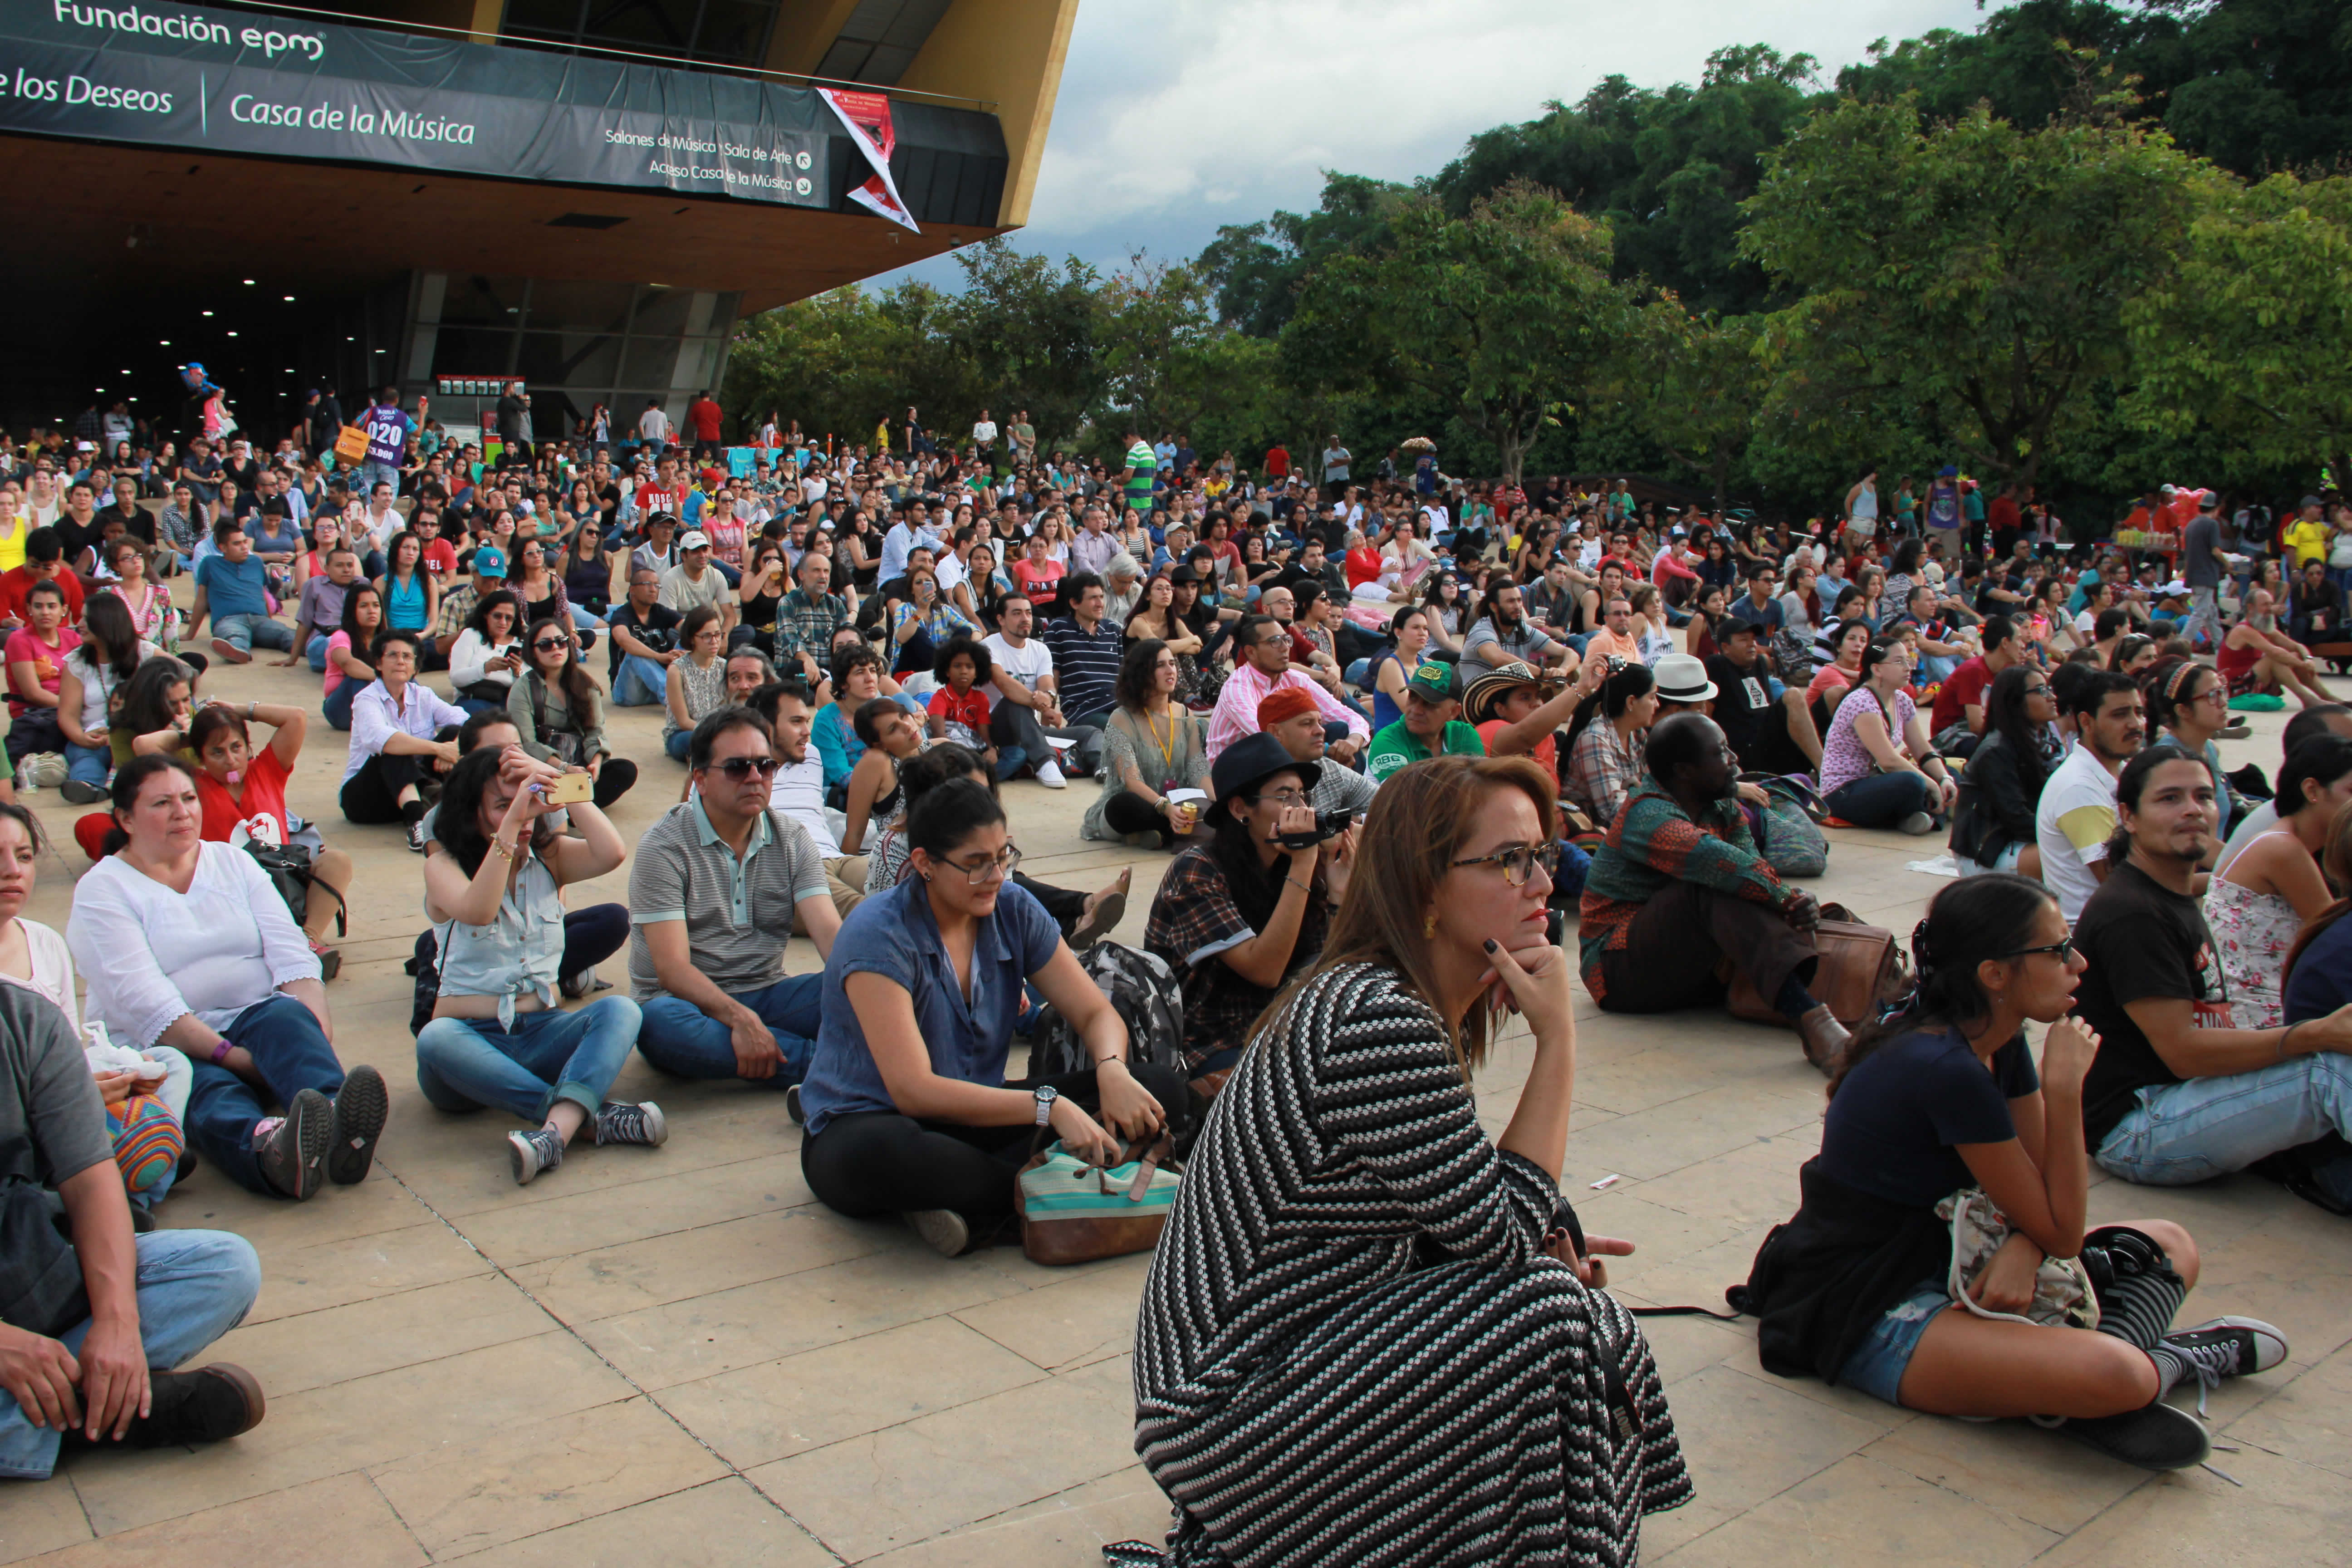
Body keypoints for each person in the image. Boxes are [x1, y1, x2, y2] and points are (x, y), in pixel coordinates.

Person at [1120, 755, 1688, 1565]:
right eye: (1508, 860)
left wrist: (1539, 1236)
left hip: (1280, 1360)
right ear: (1423, 884)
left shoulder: (1392, 1000)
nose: (1542, 884)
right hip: (1223, 1408)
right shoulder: (1374, 1017)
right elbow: (1496, 1240)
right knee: (1547, 1317)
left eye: (1541, 854)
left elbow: (1449, 1214)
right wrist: (1557, 1041)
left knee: (1567, 1310)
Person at [1738, 873, 2272, 1471]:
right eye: (2058, 950)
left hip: (1960, 1260)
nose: (2080, 963)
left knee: (2173, 1244)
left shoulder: (1997, 1037)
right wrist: (2067, 1093)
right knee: (2117, 1373)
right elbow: (2065, 1231)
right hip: (1867, 1306)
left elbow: (2046, 1201)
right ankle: (2150, 1369)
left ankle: (2063, 1395)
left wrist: (2025, 1245)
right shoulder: (1944, 1066)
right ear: (1995, 974)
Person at [796, 777, 1186, 1256]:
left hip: (974, 1113)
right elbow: (913, 1090)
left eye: (1004, 856)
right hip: (871, 1123)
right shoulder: (879, 932)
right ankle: (1060, 1190)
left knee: (1159, 1089)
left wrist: (1112, 1070)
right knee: (899, 1156)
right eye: (976, 865)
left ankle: (995, 1201)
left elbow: (1093, 1011)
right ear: (925, 865)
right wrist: (1050, 1108)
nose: (998, 876)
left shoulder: (1013, 908)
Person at [67, 755, 386, 1201]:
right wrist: (231, 1057)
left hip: (253, 1017)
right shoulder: (103, 891)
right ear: (125, 819)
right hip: (168, 1041)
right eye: (162, 803)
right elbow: (147, 1001)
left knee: (288, 1021)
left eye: (189, 798)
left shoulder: (232, 861)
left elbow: (291, 954)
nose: (183, 812)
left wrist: (317, 1026)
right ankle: (271, 1154)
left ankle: (338, 1124)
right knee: (209, 1089)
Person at [0, 973, 267, 1478]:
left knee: (226, 1267)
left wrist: (117, 1323)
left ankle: (68, 1400)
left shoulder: (25, 1019)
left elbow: (91, 1180)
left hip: (30, 1263)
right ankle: (90, 1415)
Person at [2076, 745, 2352, 1193]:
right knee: (2332, 1072)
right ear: (2128, 816)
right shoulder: (2133, 913)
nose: (2192, 811)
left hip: (2185, 1097)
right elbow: (2183, 1053)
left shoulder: (2169, 894)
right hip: (2138, 1127)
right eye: (2170, 799)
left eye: (2203, 797)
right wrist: (2313, 1035)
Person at [416, 746, 663, 1185]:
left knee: (622, 1010)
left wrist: (557, 782)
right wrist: (510, 824)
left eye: (531, 803)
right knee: (434, 1038)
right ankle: (583, 1115)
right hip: (468, 1048)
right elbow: (478, 909)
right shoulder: (444, 865)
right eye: (502, 804)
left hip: (541, 1032)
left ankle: (554, 1133)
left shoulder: (548, 858)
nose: (527, 816)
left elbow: (611, 853)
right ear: (470, 812)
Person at [1580, 713, 1848, 1070]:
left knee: (1808, 908)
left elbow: (1753, 869)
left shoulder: (1722, 806)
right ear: (1685, 771)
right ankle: (1811, 1020)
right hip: (1618, 969)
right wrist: (1785, 897)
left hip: (1689, 965)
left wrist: (1796, 901)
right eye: (1720, 753)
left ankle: (1884, 995)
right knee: (1712, 884)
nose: (1734, 759)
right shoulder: (1646, 816)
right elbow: (1722, 864)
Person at [628, 708, 841, 1090]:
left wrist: (870, 988)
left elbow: (831, 935)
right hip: (687, 1005)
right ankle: (834, 1070)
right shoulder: (663, 847)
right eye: (738, 768)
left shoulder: (792, 838)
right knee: (659, 1025)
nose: (756, 778)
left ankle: (814, 1065)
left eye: (765, 766)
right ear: (700, 780)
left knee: (861, 984)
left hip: (769, 992)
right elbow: (672, 971)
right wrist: (740, 1020)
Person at [1143, 732, 1355, 1096]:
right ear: (1241, 810)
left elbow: (1325, 972)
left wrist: (1336, 897)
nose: (1300, 808)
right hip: (1207, 1042)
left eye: (1302, 795)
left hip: (1278, 1028)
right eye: (1285, 796)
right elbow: (1265, 970)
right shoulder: (1197, 870)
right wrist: (1305, 862)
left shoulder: (1287, 865)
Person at [2204, 737, 2352, 1029]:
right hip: (2257, 1019)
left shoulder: (2289, 842)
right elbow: (2341, 936)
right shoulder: (2284, 850)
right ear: (2312, 790)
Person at [342, 630, 469, 850]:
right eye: (393, 655)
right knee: (392, 748)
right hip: (366, 798)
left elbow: (464, 720)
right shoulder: (367, 699)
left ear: (416, 668)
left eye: (407, 657)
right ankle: (417, 822)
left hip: (409, 789)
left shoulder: (423, 695)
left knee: (455, 732)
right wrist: (438, 749)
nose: (400, 661)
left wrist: (454, 747)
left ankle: (454, 809)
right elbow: (381, 739)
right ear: (379, 664)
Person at [2036, 671, 2144, 925]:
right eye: (2120, 715)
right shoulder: (2078, 788)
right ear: (2086, 722)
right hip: (2096, 934)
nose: (2135, 724)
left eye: (2139, 712)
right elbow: (2118, 879)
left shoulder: (2122, 770)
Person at [1083, 638, 1212, 847]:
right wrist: (1167, 808)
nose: (1171, 670)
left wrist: (1219, 803)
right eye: (1160, 666)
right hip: (1141, 806)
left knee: (1212, 806)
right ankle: (1176, 832)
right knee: (1122, 805)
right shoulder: (1123, 718)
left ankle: (1156, 836)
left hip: (1178, 805)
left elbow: (1197, 768)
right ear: (1142, 673)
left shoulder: (1185, 714)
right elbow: (1131, 781)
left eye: (1172, 663)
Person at [1817, 639, 1954, 833]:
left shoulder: (1903, 700)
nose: (1908, 668)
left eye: (1909, 661)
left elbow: (1922, 750)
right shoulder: (1861, 702)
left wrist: (1944, 778)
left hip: (1878, 782)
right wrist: (1931, 785)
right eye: (1899, 662)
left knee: (1948, 773)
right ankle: (1921, 815)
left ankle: (1918, 818)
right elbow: (1888, 760)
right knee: (1913, 783)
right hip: (1843, 792)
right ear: (1877, 669)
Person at [1205, 612, 1368, 764]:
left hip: (1281, 754)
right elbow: (1266, 736)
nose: (1285, 648)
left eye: (1286, 640)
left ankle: (1363, 793)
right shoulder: (1237, 688)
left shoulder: (1295, 678)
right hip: (1239, 766)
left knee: (1342, 731)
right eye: (1275, 642)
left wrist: (1352, 743)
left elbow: (1351, 717)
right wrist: (1327, 749)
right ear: (1251, 652)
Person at [508, 615, 636, 808]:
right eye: (546, 645)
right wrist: (564, 768)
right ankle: (575, 807)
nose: (556, 649)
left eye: (561, 642)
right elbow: (528, 743)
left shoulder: (585, 684)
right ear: (533, 652)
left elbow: (596, 732)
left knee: (625, 770)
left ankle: (571, 808)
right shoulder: (523, 689)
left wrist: (596, 763)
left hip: (580, 766)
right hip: (542, 768)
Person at [1948, 665, 2057, 878]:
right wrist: (2062, 835)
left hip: (2015, 842)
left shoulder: (2037, 740)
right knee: (2070, 856)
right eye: (2042, 690)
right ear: (2015, 701)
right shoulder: (1996, 751)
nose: (2052, 697)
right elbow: (2016, 817)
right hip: (1987, 854)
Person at [984, 593, 1099, 785]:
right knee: (1015, 703)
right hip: (996, 729)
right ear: (1001, 619)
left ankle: (1100, 767)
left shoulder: (1040, 649)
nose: (1025, 619)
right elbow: (1004, 684)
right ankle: (1046, 762)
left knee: (1090, 732)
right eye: (1017, 614)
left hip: (1031, 727)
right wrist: (1040, 702)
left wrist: (1047, 700)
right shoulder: (987, 647)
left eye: (1029, 613)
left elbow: (1048, 687)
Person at [1705, 616, 1823, 774]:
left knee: (1833, 695)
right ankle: (1826, 771)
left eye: (1754, 639)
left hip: (1770, 745)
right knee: (1793, 695)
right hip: (1745, 751)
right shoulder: (1717, 665)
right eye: (1743, 640)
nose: (1752, 644)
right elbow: (1705, 717)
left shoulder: (1759, 664)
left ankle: (1829, 766)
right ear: (1726, 648)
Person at [1562, 661, 1658, 828]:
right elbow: (1614, 812)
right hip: (1592, 833)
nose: (1657, 704)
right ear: (1631, 703)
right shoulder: (1595, 739)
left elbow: (1654, 785)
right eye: (1652, 697)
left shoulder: (1637, 734)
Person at [1258, 686, 1378, 818]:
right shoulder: (1258, 783)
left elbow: (1388, 802)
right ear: (1275, 732)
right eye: (1307, 723)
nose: (1321, 730)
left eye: (1320, 722)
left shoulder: (1329, 769)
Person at [1364, 658, 1485, 782]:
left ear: (1454, 712)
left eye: (1429, 704)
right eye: (1413, 698)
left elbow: (1481, 786)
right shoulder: (1388, 741)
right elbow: (1405, 796)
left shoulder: (1464, 735)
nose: (1416, 710)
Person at [188, 520, 291, 665]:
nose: (244, 547)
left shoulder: (255, 562)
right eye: (237, 544)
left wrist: (269, 622)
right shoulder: (210, 564)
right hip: (229, 620)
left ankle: (316, 650)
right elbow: (201, 600)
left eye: (245, 542)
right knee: (235, 636)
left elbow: (263, 595)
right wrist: (190, 634)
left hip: (260, 620)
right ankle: (238, 652)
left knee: (287, 634)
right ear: (223, 547)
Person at [2221, 588, 2334, 709]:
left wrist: (2308, 659)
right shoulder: (2243, 630)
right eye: (2265, 605)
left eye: (2271, 604)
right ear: (2250, 608)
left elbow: (2297, 646)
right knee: (2274, 658)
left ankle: (2329, 697)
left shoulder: (2265, 629)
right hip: (2236, 688)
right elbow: (2275, 653)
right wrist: (2302, 665)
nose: (2270, 609)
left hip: (2254, 681)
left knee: (2295, 654)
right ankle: (2308, 700)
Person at [606, 565, 682, 708]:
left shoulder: (660, 611)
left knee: (692, 639)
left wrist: (688, 648)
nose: (653, 589)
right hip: (628, 693)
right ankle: (676, 700)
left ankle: (695, 692)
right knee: (635, 653)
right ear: (632, 590)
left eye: (657, 585)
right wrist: (659, 656)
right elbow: (624, 640)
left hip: (656, 688)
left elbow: (689, 628)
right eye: (647, 584)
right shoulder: (622, 614)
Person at [661, 605, 729, 763]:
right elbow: (684, 722)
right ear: (692, 638)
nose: (714, 642)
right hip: (684, 733)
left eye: (718, 635)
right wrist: (713, 733)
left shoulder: (725, 667)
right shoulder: (677, 670)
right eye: (707, 636)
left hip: (720, 732)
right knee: (695, 740)